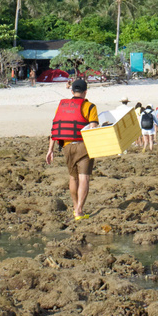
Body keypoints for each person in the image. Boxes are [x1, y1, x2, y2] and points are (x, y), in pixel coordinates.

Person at [47, 78, 99, 220]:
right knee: (84, 178)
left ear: (72, 91)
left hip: (67, 146)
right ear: (85, 92)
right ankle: (79, 210)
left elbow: (56, 127)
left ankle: (75, 206)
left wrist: (50, 149)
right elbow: (93, 128)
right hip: (84, 145)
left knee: (73, 177)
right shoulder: (89, 106)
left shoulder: (62, 106)